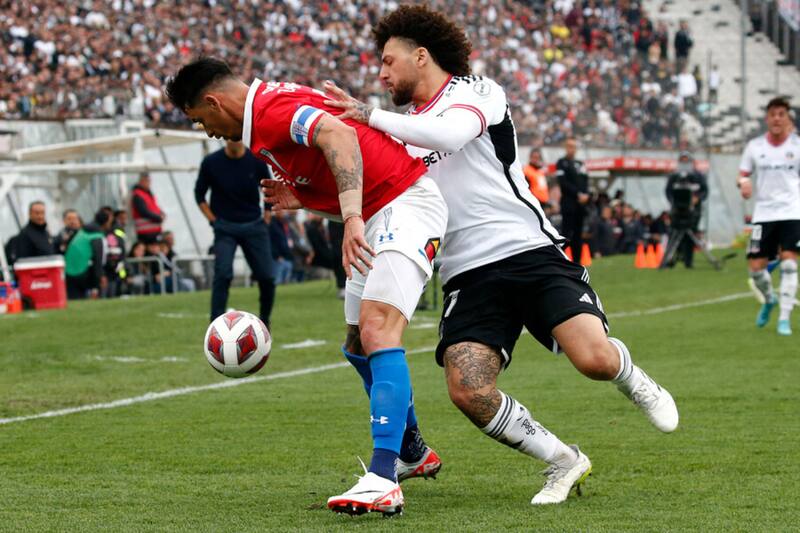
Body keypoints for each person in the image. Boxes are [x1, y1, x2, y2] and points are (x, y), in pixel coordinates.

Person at [324, 4, 679, 506]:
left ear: (421, 56)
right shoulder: (398, 130)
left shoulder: (476, 91)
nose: (380, 74)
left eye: (387, 61)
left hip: (528, 250)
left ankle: (632, 378)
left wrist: (369, 116)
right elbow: (376, 192)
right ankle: (563, 460)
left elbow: (450, 134)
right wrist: (308, 199)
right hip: (466, 273)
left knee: (593, 359)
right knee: (467, 389)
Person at [166, 57, 447, 516]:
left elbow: (341, 135)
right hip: (379, 208)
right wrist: (307, 199)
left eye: (200, 119)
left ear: (214, 102)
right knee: (357, 343)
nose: (207, 132)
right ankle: (411, 451)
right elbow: (334, 156)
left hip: (404, 204)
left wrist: (350, 218)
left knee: (377, 330)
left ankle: (382, 479)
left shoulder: (270, 110)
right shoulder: (262, 117)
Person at [195, 140, 276, 325]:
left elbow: (269, 188)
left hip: (254, 225)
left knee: (267, 277)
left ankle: (265, 321)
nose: (233, 139)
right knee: (222, 274)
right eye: (229, 136)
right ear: (224, 138)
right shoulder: (211, 162)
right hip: (225, 227)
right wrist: (213, 220)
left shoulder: (256, 160)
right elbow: (199, 194)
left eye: (237, 135)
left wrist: (267, 214)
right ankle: (215, 325)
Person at [738, 96, 800, 336]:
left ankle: (784, 319)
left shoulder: (797, 146)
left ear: (787, 118)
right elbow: (743, 173)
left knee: (789, 263)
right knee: (756, 269)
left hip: (792, 212)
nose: (777, 118)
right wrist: (743, 183)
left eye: (781, 114)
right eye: (773, 114)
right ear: (767, 118)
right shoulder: (755, 147)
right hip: (763, 214)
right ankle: (769, 299)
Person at [665, 151, 708, 268]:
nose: (684, 163)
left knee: (690, 235)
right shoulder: (674, 176)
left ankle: (688, 261)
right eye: (682, 161)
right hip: (677, 211)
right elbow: (668, 192)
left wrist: (697, 198)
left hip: (693, 211)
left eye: (686, 161)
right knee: (674, 234)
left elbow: (704, 191)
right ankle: (670, 259)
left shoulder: (698, 176)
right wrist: (674, 202)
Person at [64, 209, 112, 299]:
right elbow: (98, 259)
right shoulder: (97, 236)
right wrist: (100, 277)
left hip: (69, 271)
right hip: (83, 272)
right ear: (106, 222)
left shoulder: (82, 232)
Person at [556, 138, 590, 261]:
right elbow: (563, 183)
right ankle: (563, 260)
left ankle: (577, 263)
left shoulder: (581, 164)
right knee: (566, 233)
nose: (572, 149)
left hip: (580, 205)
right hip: (568, 204)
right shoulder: (561, 163)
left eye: (574, 146)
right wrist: (578, 194)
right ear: (565, 147)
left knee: (578, 234)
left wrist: (586, 195)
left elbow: (586, 181)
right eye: (569, 146)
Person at [130, 172, 165, 244]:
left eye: (149, 181)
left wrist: (162, 214)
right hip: (146, 233)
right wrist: (158, 218)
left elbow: (154, 207)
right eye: (146, 181)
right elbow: (143, 211)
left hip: (154, 231)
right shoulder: (138, 195)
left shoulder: (147, 194)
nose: (148, 183)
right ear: (141, 181)